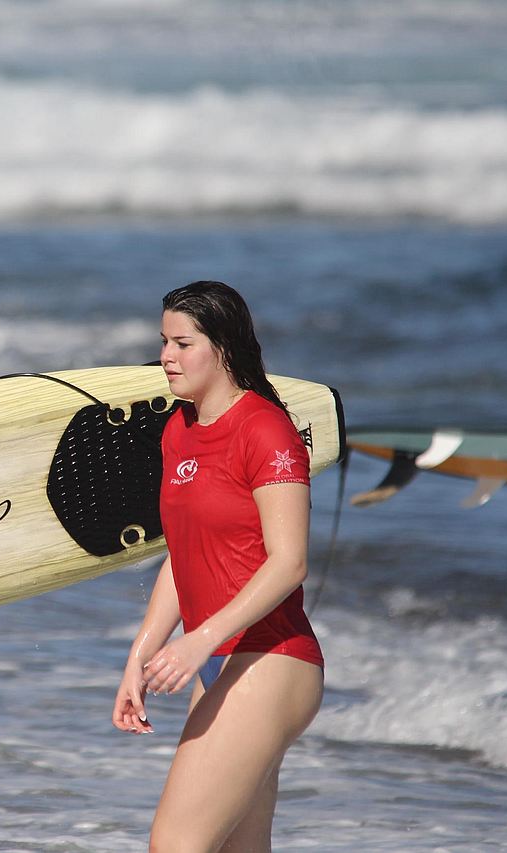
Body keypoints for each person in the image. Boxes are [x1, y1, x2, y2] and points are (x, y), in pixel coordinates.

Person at [112, 281, 324, 852]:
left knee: (176, 843)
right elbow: (184, 559)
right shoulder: (178, 430)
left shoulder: (265, 429)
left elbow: (290, 562)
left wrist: (197, 641)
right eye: (163, 342)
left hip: (272, 660)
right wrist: (141, 656)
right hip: (219, 663)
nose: (166, 357)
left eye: (182, 343)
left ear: (224, 347)